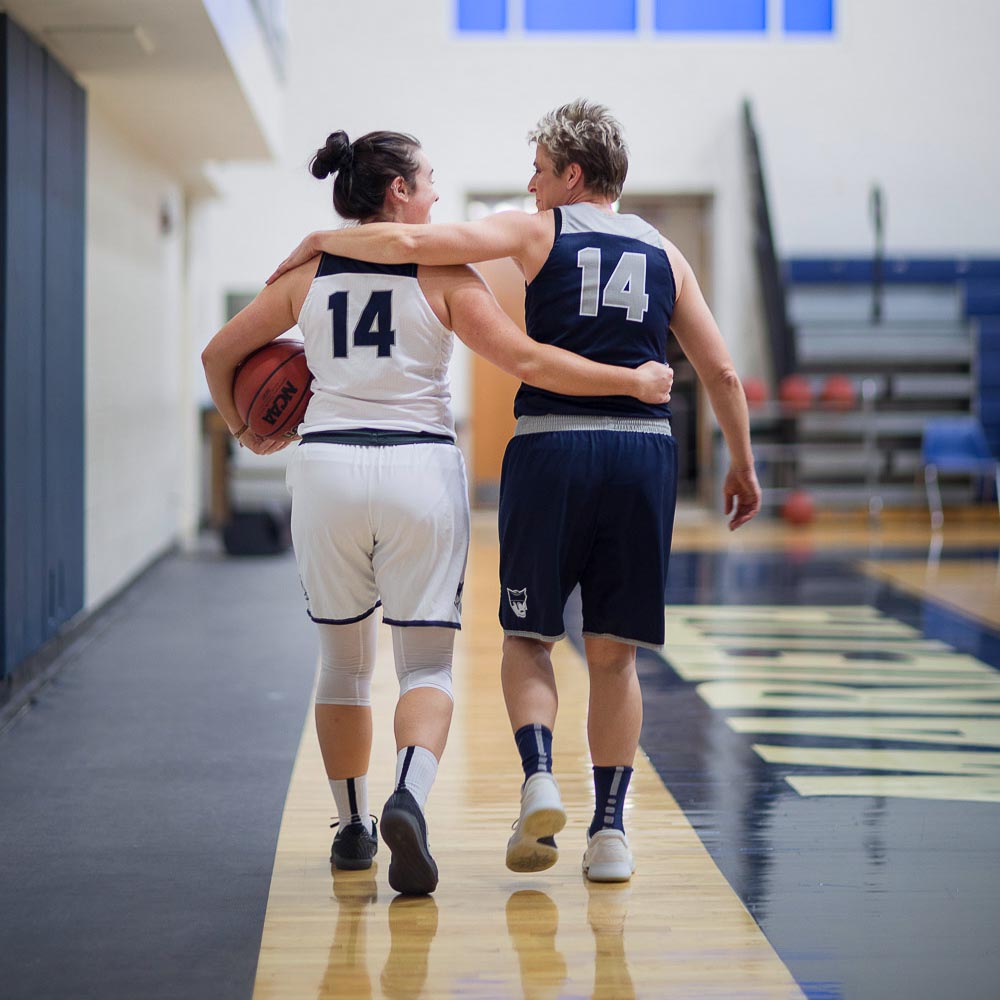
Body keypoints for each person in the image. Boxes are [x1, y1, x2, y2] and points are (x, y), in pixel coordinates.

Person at [267, 101, 762, 885]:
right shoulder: (668, 253)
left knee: (529, 638)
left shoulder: (540, 230)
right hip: (643, 455)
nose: (530, 185)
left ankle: (536, 779)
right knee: (615, 654)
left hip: (548, 449)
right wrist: (741, 462)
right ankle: (609, 833)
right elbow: (725, 373)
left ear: (571, 175)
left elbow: (405, 241)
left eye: (537, 170)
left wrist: (320, 239)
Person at [202, 128, 674, 896]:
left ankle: (353, 827)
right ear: (398, 193)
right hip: (419, 465)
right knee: (425, 665)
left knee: (343, 665)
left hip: (324, 468)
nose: (437, 196)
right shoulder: (444, 271)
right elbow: (526, 360)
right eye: (428, 181)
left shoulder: (307, 272)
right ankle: (409, 797)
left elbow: (219, 355)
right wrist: (629, 383)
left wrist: (248, 429)